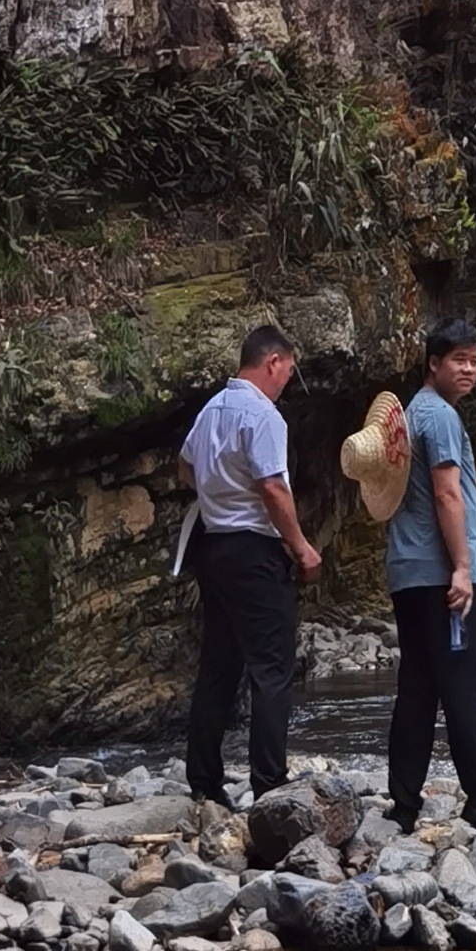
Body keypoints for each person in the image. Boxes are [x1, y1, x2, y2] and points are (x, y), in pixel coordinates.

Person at [178, 322, 321, 806]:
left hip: (214, 547)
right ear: (273, 362)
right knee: (272, 669)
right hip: (254, 549)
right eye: (288, 371)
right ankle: (269, 783)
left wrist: (217, 491)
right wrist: (300, 546)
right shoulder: (264, 415)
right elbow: (273, 487)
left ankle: (203, 780)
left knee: (219, 665)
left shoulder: (211, 409)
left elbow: (184, 467)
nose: (287, 382)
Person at [386, 316, 476, 827]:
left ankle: (405, 803)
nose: (470, 370)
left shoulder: (409, 415)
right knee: (463, 684)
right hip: (440, 574)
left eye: (475, 361)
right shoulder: (441, 418)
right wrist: (462, 566)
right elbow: (447, 493)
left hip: (408, 571)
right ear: (434, 363)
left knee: (418, 686)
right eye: (459, 360)